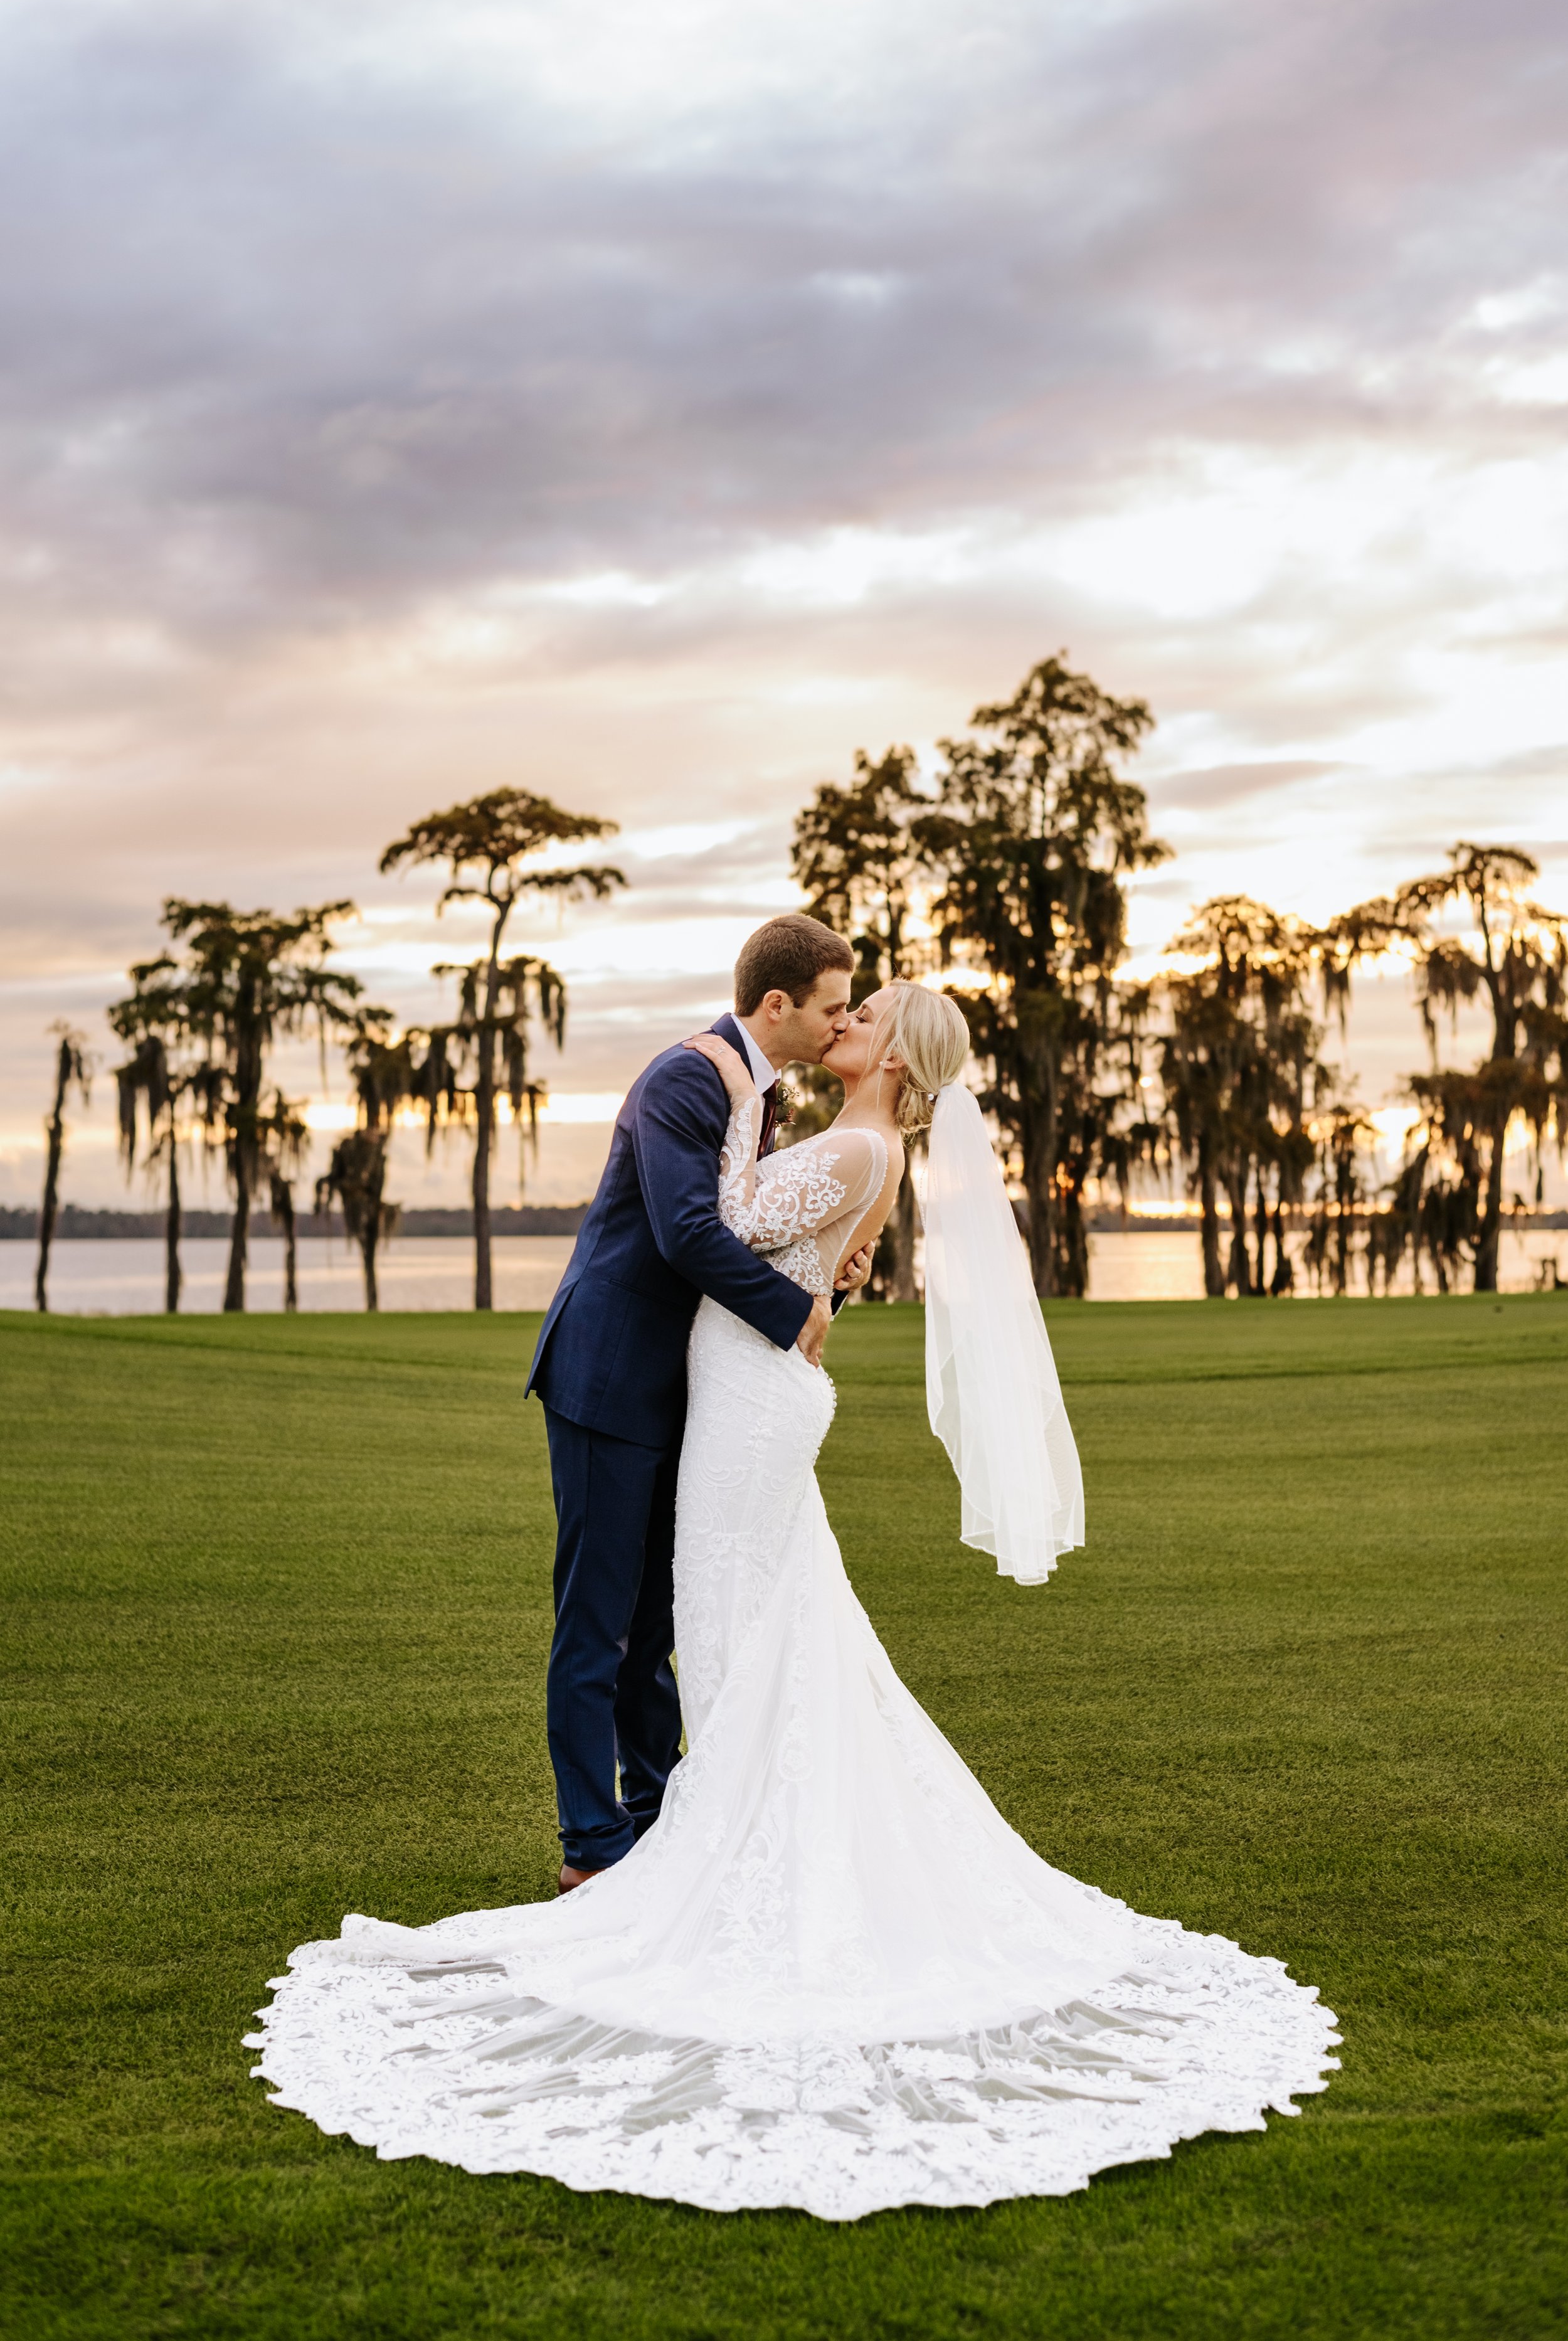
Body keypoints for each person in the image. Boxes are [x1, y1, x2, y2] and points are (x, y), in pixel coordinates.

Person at [250, 981, 1338, 2221]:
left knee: (727, 1633)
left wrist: (741, 1134)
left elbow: (711, 1218)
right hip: (739, 1394)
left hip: (754, 1410)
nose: (842, 1029)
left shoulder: (858, 1141)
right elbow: (763, 1230)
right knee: (744, 1636)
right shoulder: (849, 1143)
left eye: (860, 1017)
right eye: (837, 1009)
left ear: (897, 1055)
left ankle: (732, 1870)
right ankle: (715, 1845)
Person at [524, 913, 871, 1889]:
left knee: (654, 1620)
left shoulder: (760, 1098)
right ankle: (592, 1852)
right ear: (777, 1005)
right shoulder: (688, 1076)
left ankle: (655, 1822)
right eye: (832, 1008)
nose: (841, 1025)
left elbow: (747, 1232)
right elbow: (681, 1232)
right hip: (608, 1373)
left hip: (678, 1385)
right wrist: (795, 1314)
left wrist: (829, 1281)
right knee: (599, 1622)